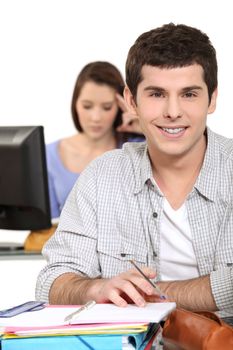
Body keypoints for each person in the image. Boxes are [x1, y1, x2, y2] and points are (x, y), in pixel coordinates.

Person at [36, 23, 233, 322]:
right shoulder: (102, 175)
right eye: (156, 94)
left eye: (189, 94)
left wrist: (148, 295)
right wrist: (94, 289)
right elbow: (51, 280)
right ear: (131, 101)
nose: (173, 111)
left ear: (213, 98)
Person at [47, 61, 143, 218]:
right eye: (87, 106)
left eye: (106, 107)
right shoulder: (49, 155)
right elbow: (46, 228)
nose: (96, 117)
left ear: (121, 105)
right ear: (75, 104)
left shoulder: (139, 148)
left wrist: (141, 124)